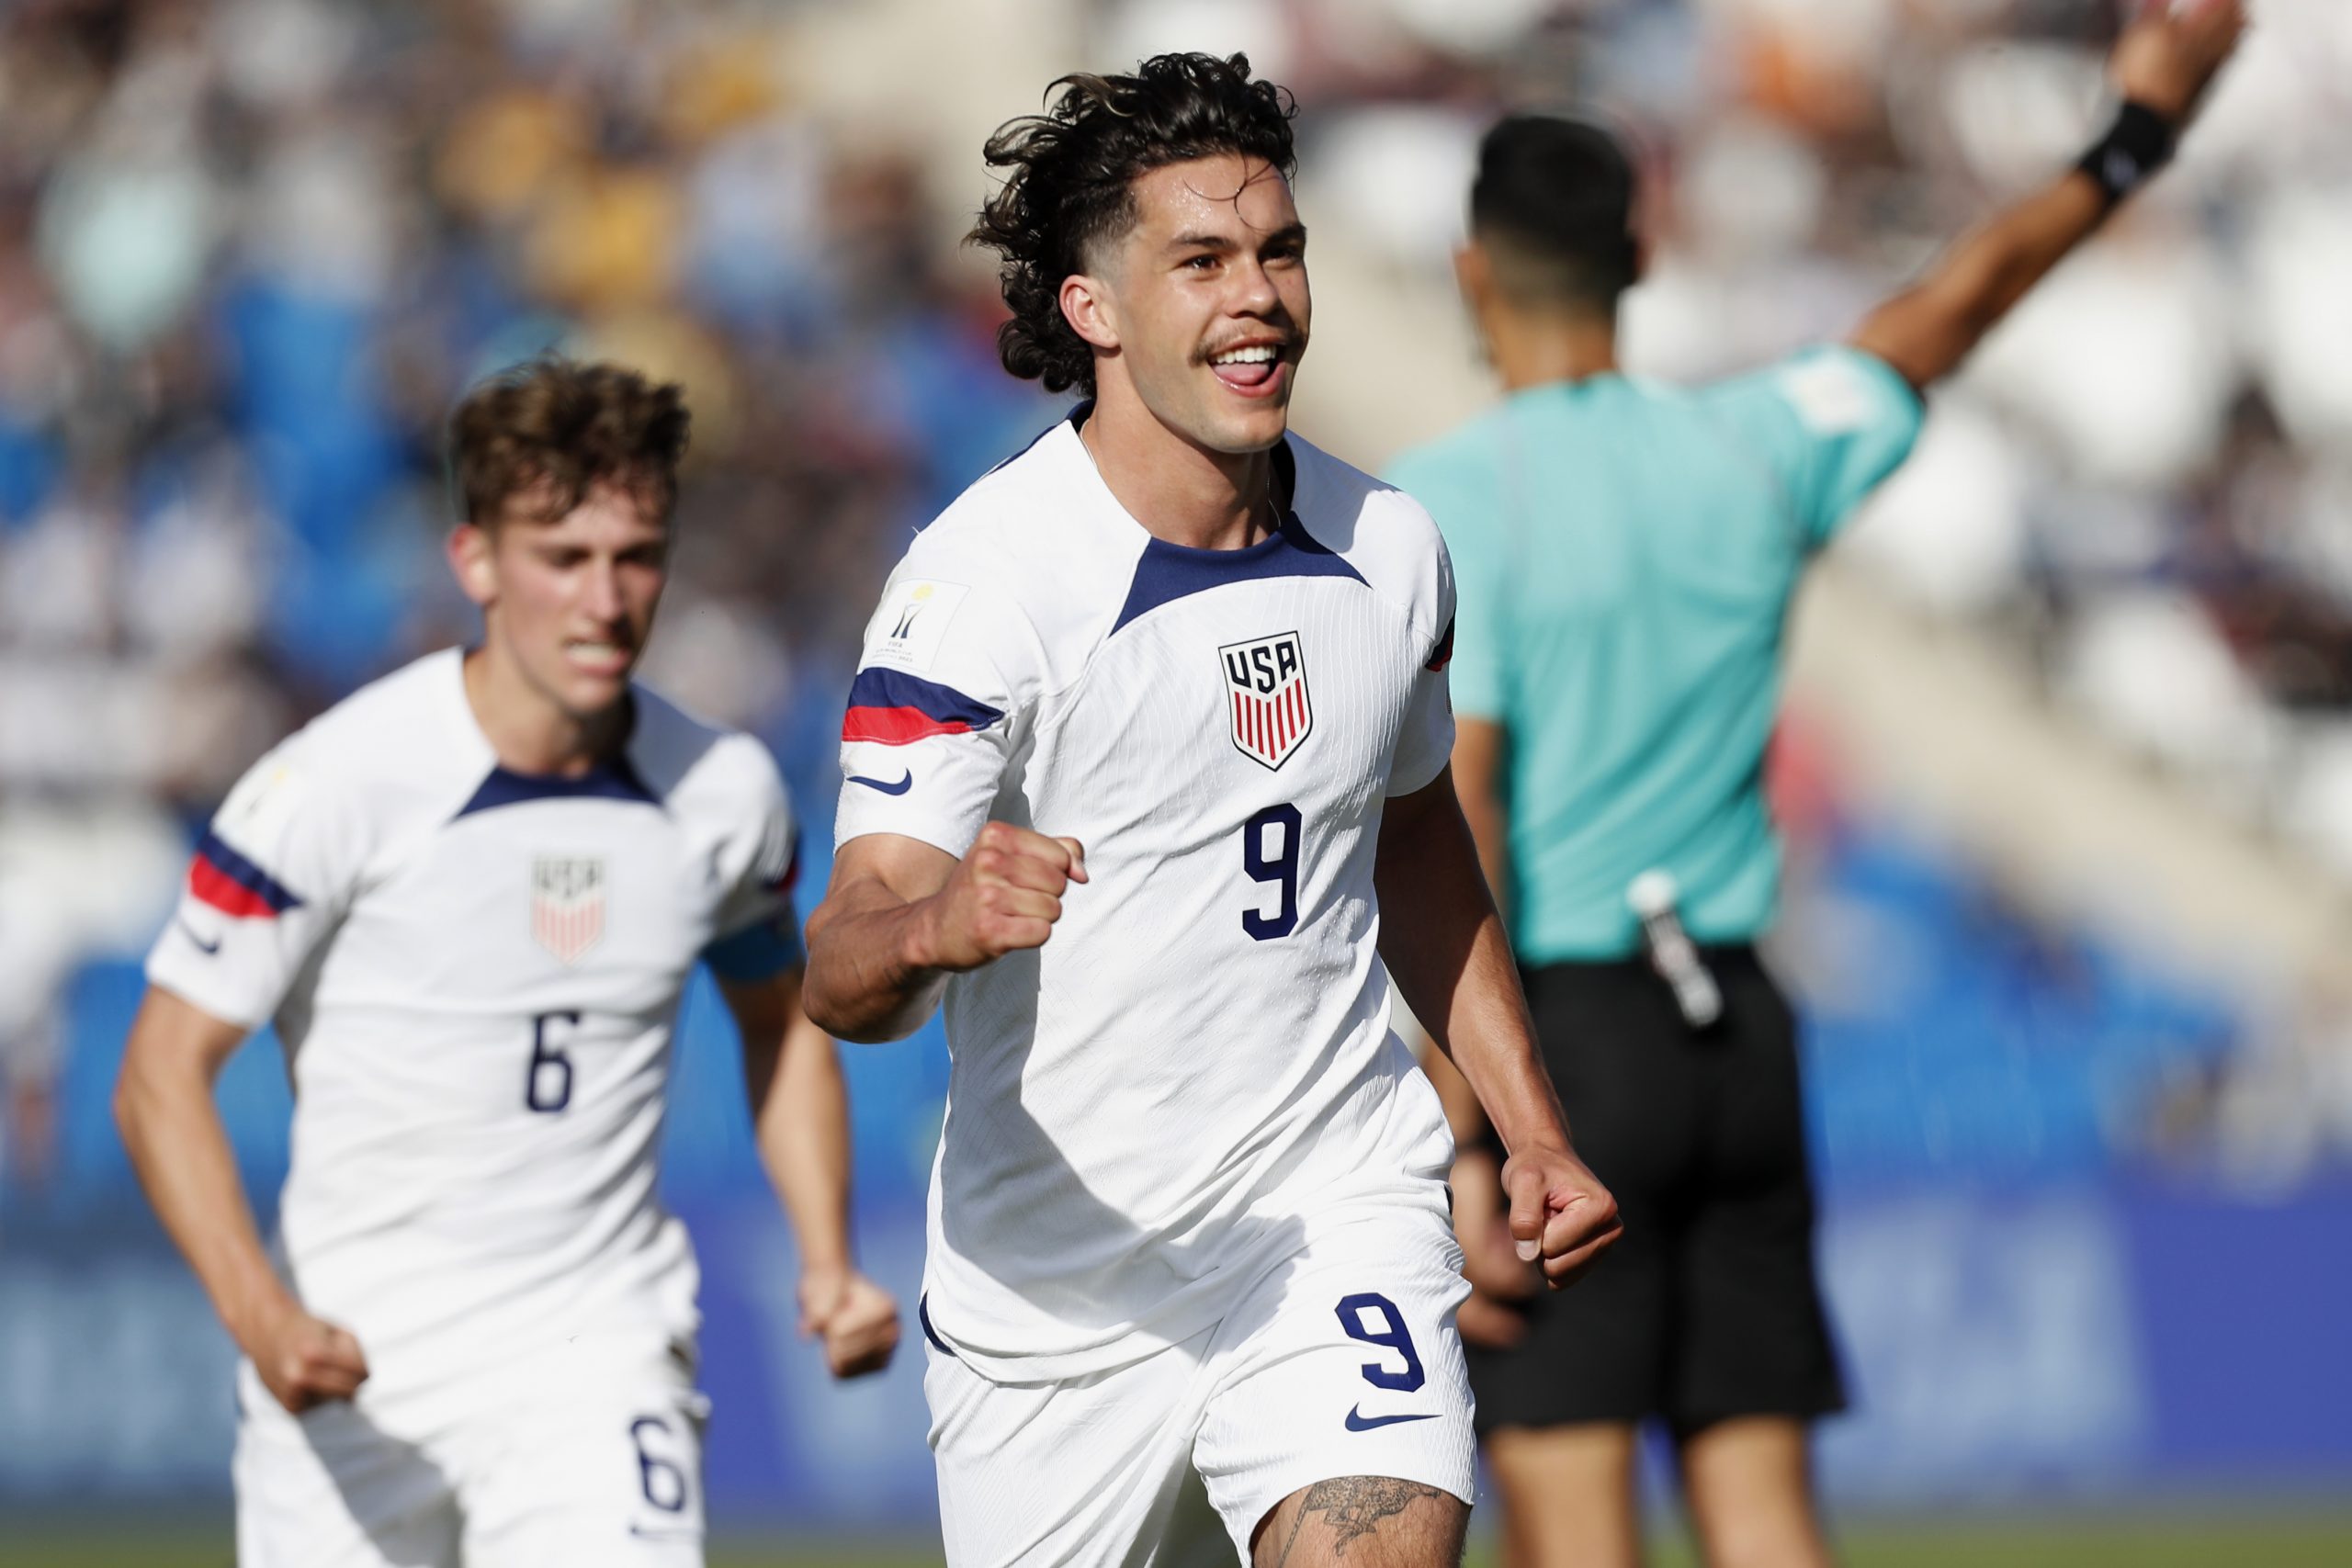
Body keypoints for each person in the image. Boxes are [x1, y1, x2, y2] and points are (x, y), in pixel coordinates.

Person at [1382, 5, 2248, 1565]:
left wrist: (1469, 1140)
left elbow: (1474, 826)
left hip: (1564, 1036)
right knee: (1765, 1505)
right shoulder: (1752, 445)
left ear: (1471, 274)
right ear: (1640, 262)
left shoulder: (1446, 506)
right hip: (1736, 1022)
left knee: (1573, 1518)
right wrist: (2131, 140)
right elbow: (1957, 301)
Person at [800, 51, 1620, 1568]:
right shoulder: (982, 590)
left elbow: (1416, 834)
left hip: (1329, 1215)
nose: (1260, 295)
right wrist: (941, 919)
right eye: (1202, 261)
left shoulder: (1391, 547)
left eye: (1280, 251)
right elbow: (842, 966)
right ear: (1091, 309)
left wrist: (1530, 1128)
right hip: (1057, 1301)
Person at [113, 357, 900, 1568]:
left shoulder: (724, 794)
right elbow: (161, 1072)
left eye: (635, 555)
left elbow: (778, 1019)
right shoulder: (334, 784)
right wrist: (260, 1316)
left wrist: (828, 1256)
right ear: (475, 562)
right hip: (351, 1362)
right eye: (562, 558)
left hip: (594, 1355)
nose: (605, 599)